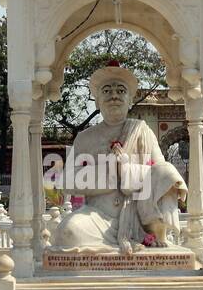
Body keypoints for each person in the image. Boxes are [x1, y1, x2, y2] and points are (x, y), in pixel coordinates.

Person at [51, 63, 188, 252]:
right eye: (106, 91)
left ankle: (156, 234)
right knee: (66, 232)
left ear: (130, 100)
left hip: (140, 217)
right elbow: (67, 181)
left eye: (120, 90)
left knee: (167, 172)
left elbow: (159, 173)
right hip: (98, 217)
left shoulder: (142, 131)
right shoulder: (85, 138)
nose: (114, 95)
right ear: (97, 101)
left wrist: (125, 169)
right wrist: (109, 170)